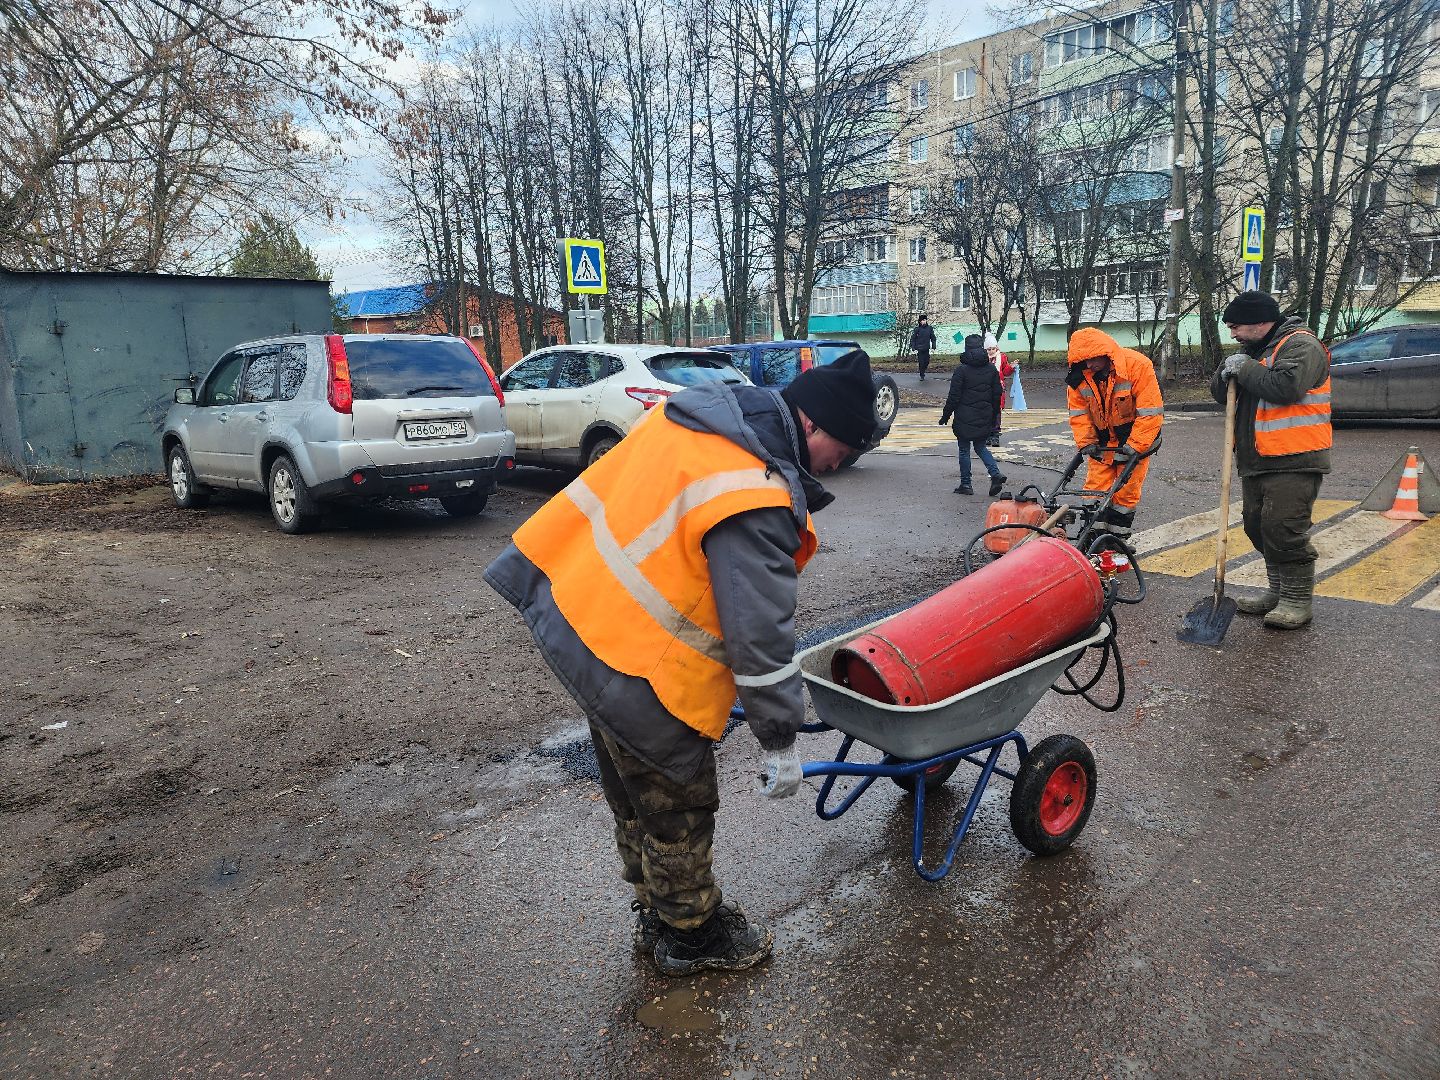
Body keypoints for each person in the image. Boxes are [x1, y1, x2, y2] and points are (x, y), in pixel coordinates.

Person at [483, 351, 879, 977]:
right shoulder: (753, 492)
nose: (843, 465)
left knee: (632, 792)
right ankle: (691, 931)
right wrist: (779, 736)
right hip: (641, 665)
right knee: (678, 799)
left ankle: (655, 910)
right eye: (846, 449)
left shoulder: (695, 421)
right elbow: (760, 633)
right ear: (811, 425)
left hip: (582, 619)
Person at [1209, 290, 1331, 629]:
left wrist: (1246, 368)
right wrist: (1226, 374)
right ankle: (1278, 591)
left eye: (1236, 327)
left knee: (1283, 528)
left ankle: (1296, 599)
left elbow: (1286, 387)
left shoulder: (1301, 345)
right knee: (1256, 525)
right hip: (1257, 459)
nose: (1232, 334)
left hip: (1294, 457)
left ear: (1260, 322)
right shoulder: (1253, 351)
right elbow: (1221, 395)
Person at [1064, 327, 1164, 536]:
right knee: (1094, 491)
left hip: (1135, 442)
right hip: (1101, 445)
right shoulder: (1079, 378)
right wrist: (1086, 442)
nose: (1089, 365)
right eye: (1084, 362)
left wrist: (1135, 446)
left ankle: (1117, 540)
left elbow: (1150, 412)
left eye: (1092, 359)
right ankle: (1092, 537)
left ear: (1105, 352)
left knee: (1125, 495)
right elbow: (1079, 415)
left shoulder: (1137, 366)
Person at [940, 333, 1007, 496]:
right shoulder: (991, 370)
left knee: (964, 449)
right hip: (984, 415)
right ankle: (995, 474)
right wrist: (994, 418)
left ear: (966, 348)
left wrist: (945, 416)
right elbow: (997, 395)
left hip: (964, 416)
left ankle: (966, 484)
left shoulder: (961, 371)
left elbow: (953, 397)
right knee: (980, 447)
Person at [984, 332, 1015, 447]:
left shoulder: (1001, 357)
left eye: (993, 348)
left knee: (996, 412)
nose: (991, 351)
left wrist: (1011, 367)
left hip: (998, 388)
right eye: (988, 349)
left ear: (996, 347)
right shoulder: (983, 359)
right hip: (985, 388)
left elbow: (1005, 372)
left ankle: (995, 435)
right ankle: (987, 435)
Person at [910, 314, 937, 380]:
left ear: (926, 321)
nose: (923, 322)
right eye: (922, 320)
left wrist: (933, 347)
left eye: (924, 320)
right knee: (921, 363)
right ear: (919, 321)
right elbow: (913, 339)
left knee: (927, 362)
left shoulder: (929, 328)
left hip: (926, 348)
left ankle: (923, 370)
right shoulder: (917, 329)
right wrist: (913, 347)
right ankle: (922, 375)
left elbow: (933, 338)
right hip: (919, 349)